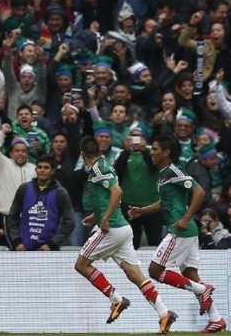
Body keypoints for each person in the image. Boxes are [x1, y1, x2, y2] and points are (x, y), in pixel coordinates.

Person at [74, 136, 177, 334]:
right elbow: (104, 196)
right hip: (122, 229)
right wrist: (95, 215)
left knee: (81, 264)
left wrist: (104, 219)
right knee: (135, 275)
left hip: (111, 228)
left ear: (82, 154)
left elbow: (117, 192)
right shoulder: (105, 165)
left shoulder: (98, 168)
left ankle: (116, 299)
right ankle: (164, 313)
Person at [128, 133, 226, 333]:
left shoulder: (173, 171)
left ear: (166, 152)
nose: (152, 153)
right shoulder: (163, 174)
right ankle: (216, 318)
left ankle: (202, 289)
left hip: (180, 230)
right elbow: (166, 203)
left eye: (155, 149)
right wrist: (142, 210)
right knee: (190, 274)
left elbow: (199, 192)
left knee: (155, 271)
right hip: (187, 231)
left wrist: (186, 218)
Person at [7, 154, 75, 251]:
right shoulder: (24, 189)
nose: (42, 170)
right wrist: (17, 241)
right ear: (36, 170)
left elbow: (70, 222)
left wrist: (52, 244)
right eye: (39, 167)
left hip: (48, 250)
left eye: (46, 168)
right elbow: (12, 216)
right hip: (23, 249)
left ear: (53, 171)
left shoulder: (61, 193)